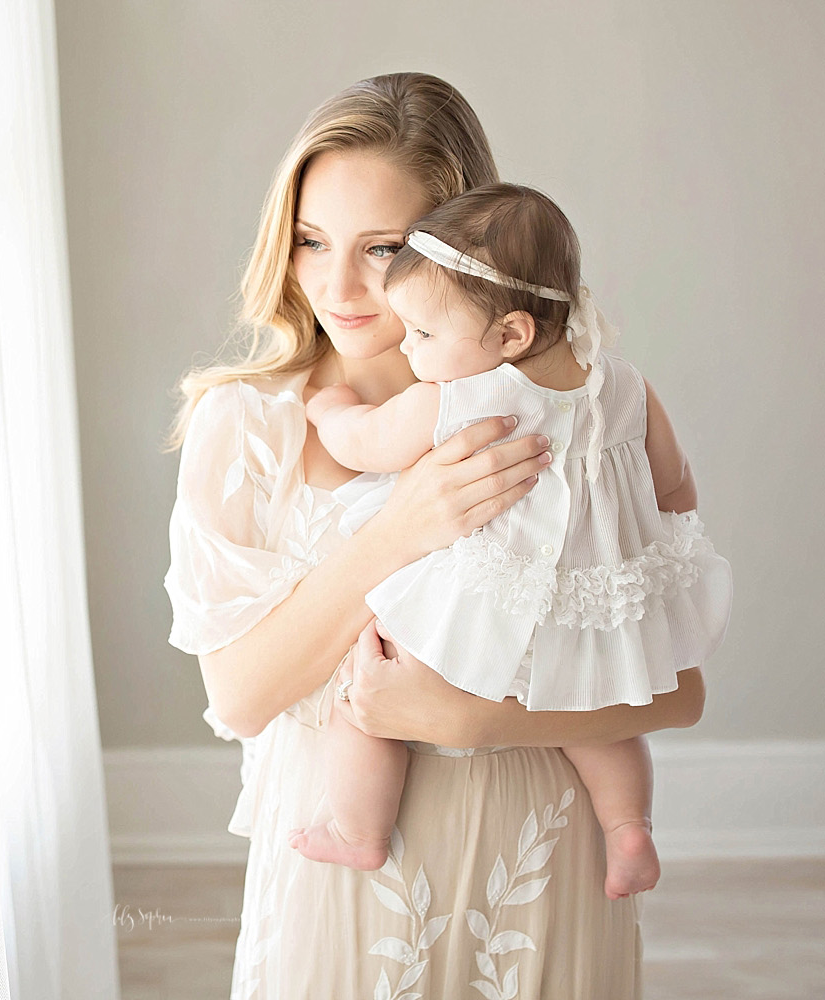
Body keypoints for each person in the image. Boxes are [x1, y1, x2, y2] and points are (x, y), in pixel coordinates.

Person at [162, 73, 707, 999]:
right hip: (348, 879)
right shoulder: (249, 424)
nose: (338, 286)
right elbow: (241, 696)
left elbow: (677, 688)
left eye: (380, 249)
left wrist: (473, 719)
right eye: (309, 239)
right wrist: (399, 529)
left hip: (542, 853)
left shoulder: (563, 408)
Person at [283, 183, 732, 903]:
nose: (409, 345)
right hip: (588, 603)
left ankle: (359, 831)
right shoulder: (624, 387)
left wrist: (331, 406)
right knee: (591, 712)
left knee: (363, 686)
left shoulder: (464, 396)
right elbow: (677, 489)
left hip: (487, 601)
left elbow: (367, 443)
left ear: (511, 336)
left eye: (424, 333)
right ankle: (629, 829)